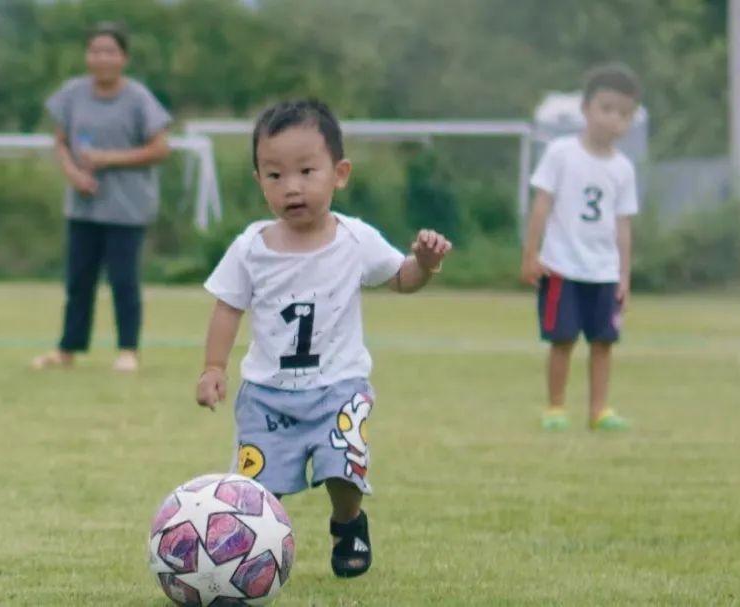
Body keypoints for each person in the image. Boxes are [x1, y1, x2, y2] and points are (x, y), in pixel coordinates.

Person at [195, 99, 451, 577]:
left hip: (338, 386)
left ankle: (348, 522)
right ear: (259, 182)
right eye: (274, 176)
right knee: (256, 490)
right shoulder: (250, 247)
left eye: (307, 171)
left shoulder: (355, 239)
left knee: (343, 466)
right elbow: (228, 307)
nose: (292, 187)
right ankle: (253, 556)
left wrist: (425, 264)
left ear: (340, 173)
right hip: (267, 395)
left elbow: (401, 277)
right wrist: (213, 368)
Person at [31, 21, 172, 373]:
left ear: (123, 57)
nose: (102, 58)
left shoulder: (138, 98)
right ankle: (67, 349)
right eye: (95, 50)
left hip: (126, 208)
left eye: (110, 51)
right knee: (78, 281)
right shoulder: (72, 93)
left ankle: (128, 350)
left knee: (123, 280)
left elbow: (160, 147)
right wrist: (73, 173)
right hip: (83, 205)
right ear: (86, 55)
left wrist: (110, 158)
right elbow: (61, 141)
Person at [520, 63, 641, 432]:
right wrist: (531, 254)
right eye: (606, 108)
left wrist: (623, 274)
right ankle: (556, 407)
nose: (613, 119)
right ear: (587, 109)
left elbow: (622, 224)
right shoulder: (561, 153)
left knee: (603, 342)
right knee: (562, 339)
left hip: (602, 270)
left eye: (623, 113)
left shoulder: (623, 169)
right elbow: (542, 205)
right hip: (562, 266)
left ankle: (599, 410)